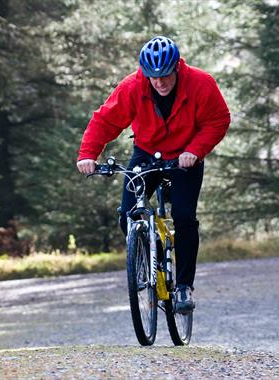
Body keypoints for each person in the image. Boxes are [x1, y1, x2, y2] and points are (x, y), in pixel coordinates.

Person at [77, 36, 230, 313]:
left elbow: (218, 120)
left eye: (164, 76)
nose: (159, 82)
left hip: (186, 157)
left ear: (177, 68)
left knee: (183, 217)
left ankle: (183, 286)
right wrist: (88, 154)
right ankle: (150, 257)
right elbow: (105, 120)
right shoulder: (133, 87)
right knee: (128, 214)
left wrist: (195, 150)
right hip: (146, 153)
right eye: (152, 77)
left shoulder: (200, 83)